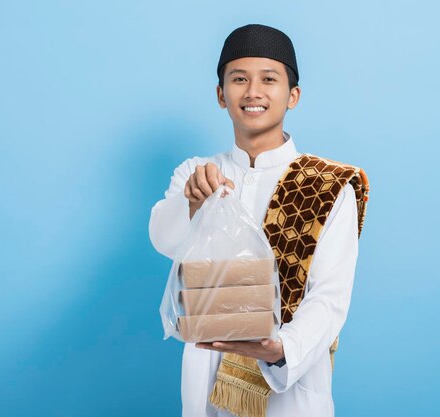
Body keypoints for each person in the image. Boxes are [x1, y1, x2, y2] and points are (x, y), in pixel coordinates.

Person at [149, 23, 360, 417]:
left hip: (290, 390)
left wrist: (282, 348)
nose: (253, 92)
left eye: (268, 79)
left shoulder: (328, 186)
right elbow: (163, 239)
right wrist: (193, 203)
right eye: (239, 79)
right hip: (207, 377)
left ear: (292, 95)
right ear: (220, 94)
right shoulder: (197, 172)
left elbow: (329, 297)